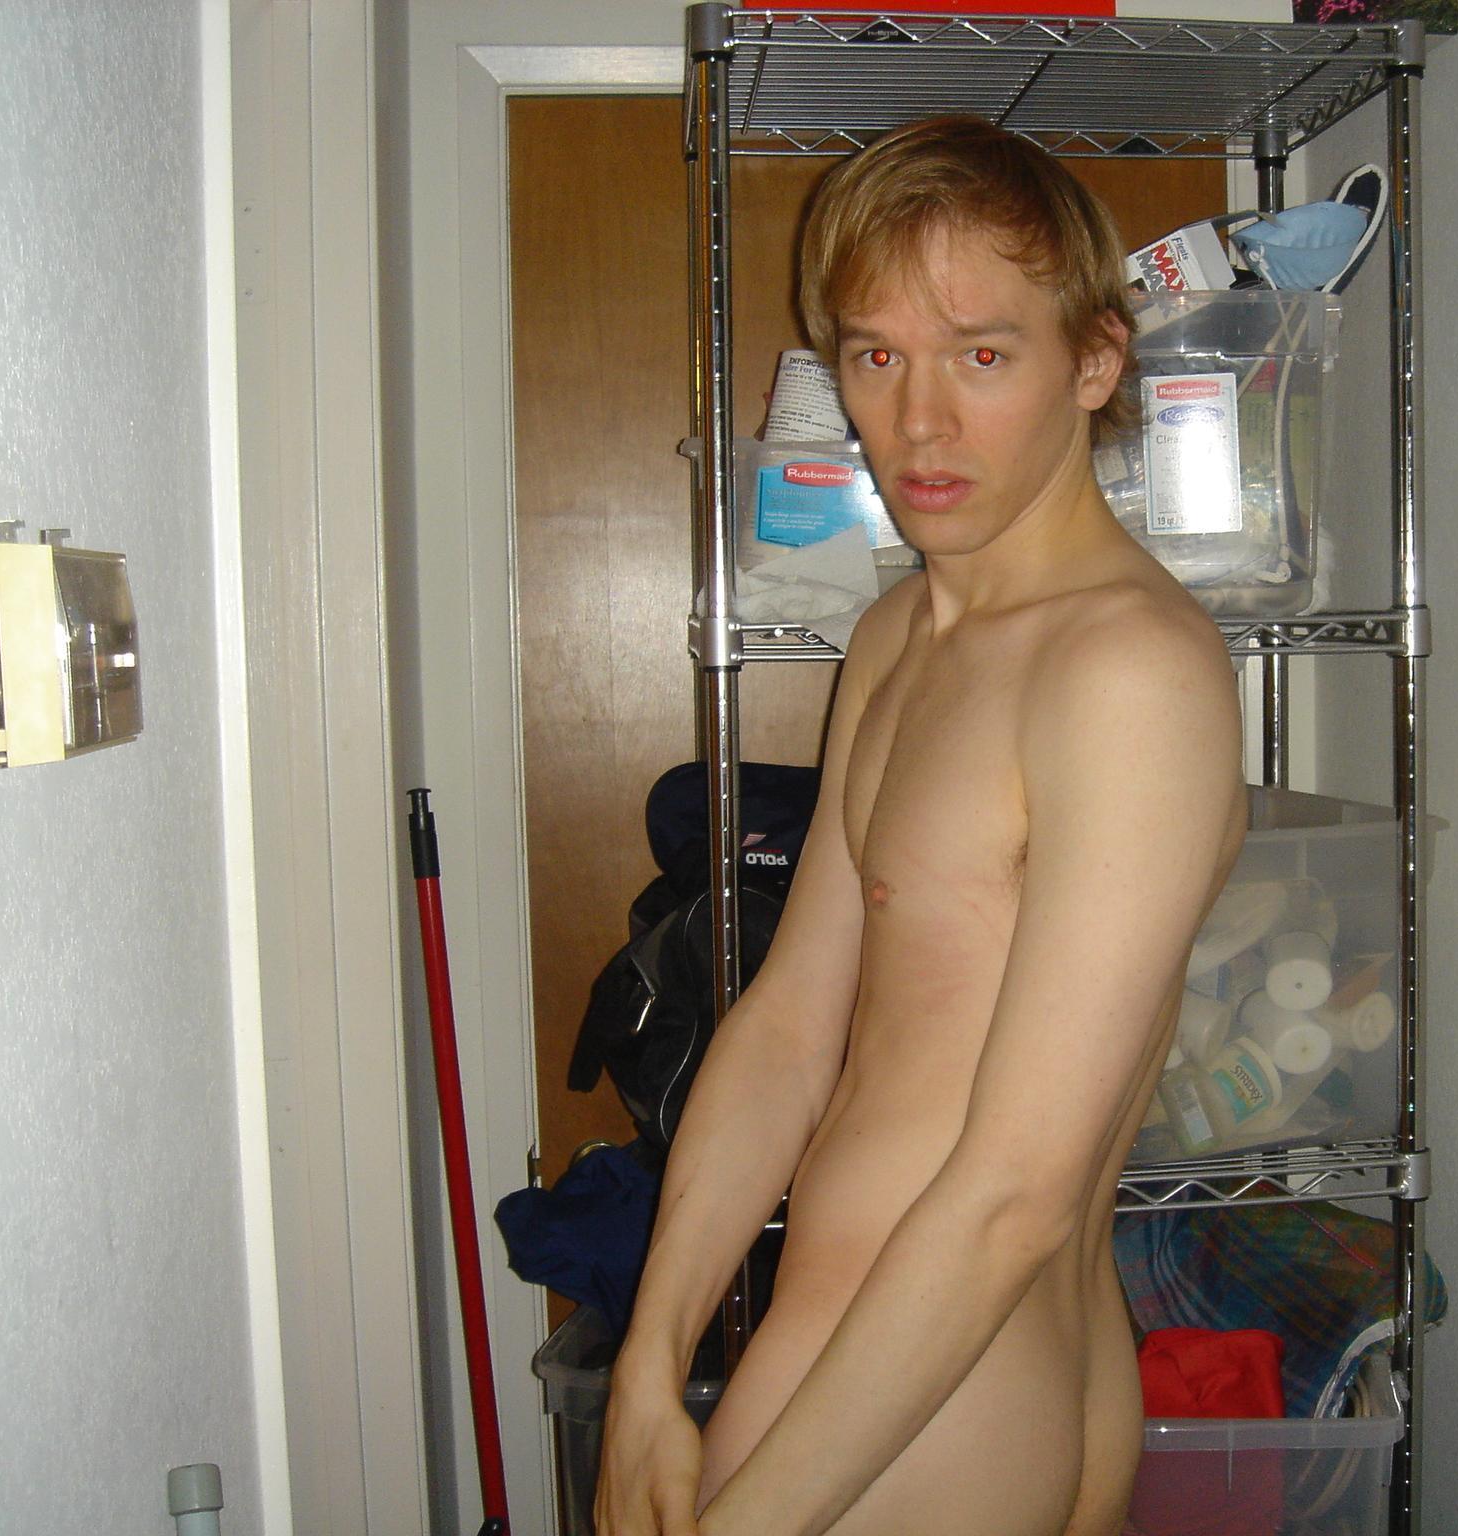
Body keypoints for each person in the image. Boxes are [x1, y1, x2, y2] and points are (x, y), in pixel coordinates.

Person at [595, 115, 1247, 1536]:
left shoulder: (1125, 673)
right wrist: (651, 1358)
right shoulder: (898, 634)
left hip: (948, 1398)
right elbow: (788, 1028)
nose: (920, 424)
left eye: (982, 356)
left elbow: (1016, 1196)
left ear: (1094, 362)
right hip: (858, 1367)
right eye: (877, 358)